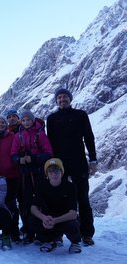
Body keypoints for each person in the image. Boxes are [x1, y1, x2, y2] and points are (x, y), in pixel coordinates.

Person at [47, 88, 97, 246]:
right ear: (56, 101)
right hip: (60, 165)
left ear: (70, 99)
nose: (62, 100)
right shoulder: (52, 118)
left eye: (65, 97)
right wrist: (52, 164)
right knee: (59, 199)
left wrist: (93, 159)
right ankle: (57, 234)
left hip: (79, 163)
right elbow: (51, 142)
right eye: (59, 97)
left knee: (83, 198)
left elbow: (89, 137)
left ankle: (87, 233)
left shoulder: (80, 115)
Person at [10, 110, 53, 243]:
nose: (26, 122)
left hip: (38, 172)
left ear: (33, 120)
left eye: (28, 120)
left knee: (41, 200)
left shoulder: (40, 134)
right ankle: (29, 231)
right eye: (24, 120)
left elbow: (48, 153)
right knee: (26, 202)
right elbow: (13, 154)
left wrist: (33, 158)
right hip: (25, 174)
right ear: (21, 122)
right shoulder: (18, 136)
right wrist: (19, 160)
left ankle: (43, 232)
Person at [30, 158, 82, 254]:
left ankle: (75, 242)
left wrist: (54, 220)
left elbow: (73, 214)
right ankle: (49, 240)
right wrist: (43, 218)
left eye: (56, 171)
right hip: (48, 217)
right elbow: (33, 207)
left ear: (61, 172)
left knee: (73, 224)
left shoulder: (70, 187)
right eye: (50, 171)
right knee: (33, 221)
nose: (54, 174)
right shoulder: (41, 185)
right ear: (47, 173)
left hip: (64, 218)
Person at [0, 115, 21, 242]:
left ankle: (14, 233)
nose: (1, 124)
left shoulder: (13, 137)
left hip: (12, 176)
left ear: (6, 125)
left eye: (3, 122)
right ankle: (5, 231)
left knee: (11, 205)